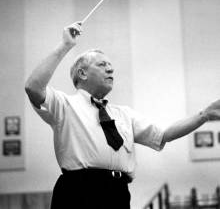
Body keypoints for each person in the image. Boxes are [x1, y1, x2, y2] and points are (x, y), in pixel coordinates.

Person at [25, 21, 220, 209]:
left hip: (117, 192)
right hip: (78, 192)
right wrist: (65, 45)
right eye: (102, 64)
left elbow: (164, 135)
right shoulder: (64, 105)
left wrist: (204, 115)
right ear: (82, 74)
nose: (110, 69)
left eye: (110, 66)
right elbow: (33, 87)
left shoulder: (124, 114)